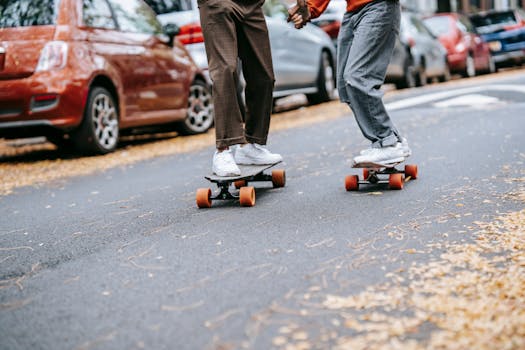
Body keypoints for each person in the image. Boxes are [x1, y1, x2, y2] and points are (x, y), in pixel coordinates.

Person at [288, 0, 411, 166]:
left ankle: (386, 142)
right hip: (352, 12)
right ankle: (393, 141)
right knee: (345, 86)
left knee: (358, 78)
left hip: (378, 6)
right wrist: (311, 7)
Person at [198, 0, 282, 177]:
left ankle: (251, 145)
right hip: (217, 4)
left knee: (264, 76)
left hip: (251, 4)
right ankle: (223, 150)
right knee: (225, 71)